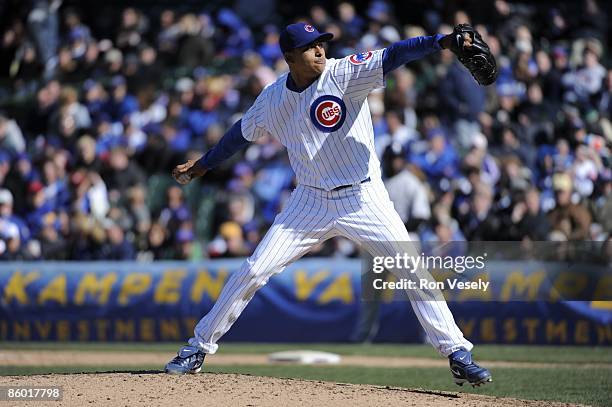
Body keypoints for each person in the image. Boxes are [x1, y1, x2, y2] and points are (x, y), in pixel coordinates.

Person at [165, 22, 492, 387]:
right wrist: (203, 164)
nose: (320, 50)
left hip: (363, 197)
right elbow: (239, 135)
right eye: (310, 47)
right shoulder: (273, 98)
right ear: (290, 58)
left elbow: (396, 53)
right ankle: (198, 346)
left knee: (411, 268)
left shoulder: (345, 72)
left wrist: (442, 42)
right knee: (254, 270)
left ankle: (457, 353)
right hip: (309, 201)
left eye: (321, 43)